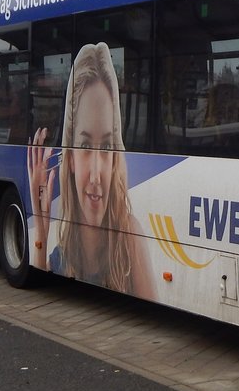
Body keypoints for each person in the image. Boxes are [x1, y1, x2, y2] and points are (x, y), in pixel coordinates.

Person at [28, 42, 153, 298]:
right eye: (84, 146)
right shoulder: (59, 258)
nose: (96, 176)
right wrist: (40, 231)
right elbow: (40, 300)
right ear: (71, 157)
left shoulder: (129, 237)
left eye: (106, 147)